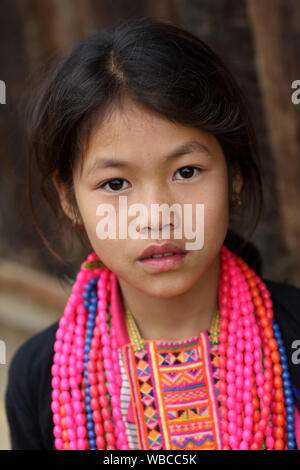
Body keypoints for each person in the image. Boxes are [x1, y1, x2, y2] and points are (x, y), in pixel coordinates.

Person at [5, 17, 300, 451]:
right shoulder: (40, 376)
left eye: (186, 171)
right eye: (115, 184)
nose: (158, 216)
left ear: (234, 178)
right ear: (69, 200)